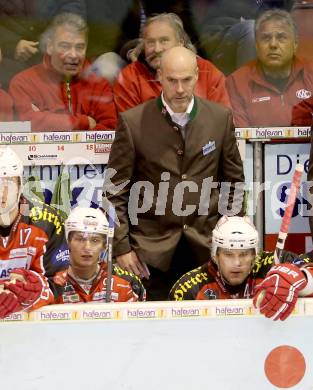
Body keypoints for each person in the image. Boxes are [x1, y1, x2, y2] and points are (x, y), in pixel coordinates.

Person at [103, 46, 244, 300]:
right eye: (172, 80)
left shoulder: (220, 119)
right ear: (159, 76)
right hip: (149, 256)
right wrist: (121, 248)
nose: (179, 89)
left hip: (207, 249)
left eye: (186, 79)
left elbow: (233, 184)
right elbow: (114, 192)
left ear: (197, 75)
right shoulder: (132, 122)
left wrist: (231, 241)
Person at [169, 215, 313, 321]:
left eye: (244, 254)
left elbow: (307, 267)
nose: (237, 263)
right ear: (215, 255)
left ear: (255, 255)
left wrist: (303, 278)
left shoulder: (273, 264)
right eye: (228, 254)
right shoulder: (189, 288)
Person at [9, 12, 117, 132]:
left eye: (80, 47)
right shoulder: (23, 83)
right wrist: (83, 122)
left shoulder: (98, 83)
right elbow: (25, 126)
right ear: (50, 47)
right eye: (65, 46)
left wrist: (48, 121)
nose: (73, 55)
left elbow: (110, 128)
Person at [0, 146, 69, 319]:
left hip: (35, 322)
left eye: (8, 183)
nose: (2, 193)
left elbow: (60, 279)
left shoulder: (48, 221)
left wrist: (35, 290)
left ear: (20, 185)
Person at [113, 13, 230, 113]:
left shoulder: (207, 72)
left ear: (180, 43)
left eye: (164, 41)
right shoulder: (129, 78)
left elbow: (223, 121)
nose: (157, 49)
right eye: (150, 42)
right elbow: (130, 130)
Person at [226, 9, 313, 127]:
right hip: (256, 146)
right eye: (266, 38)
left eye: (281, 37)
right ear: (256, 46)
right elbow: (241, 140)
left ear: (295, 44)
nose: (273, 45)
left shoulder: (311, 73)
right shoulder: (236, 82)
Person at [57, 207, 146, 303]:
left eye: (95, 240)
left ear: (105, 246)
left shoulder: (128, 283)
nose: (87, 247)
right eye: (80, 239)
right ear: (67, 242)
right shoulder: (51, 282)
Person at [0, 0, 86, 89]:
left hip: (54, 56)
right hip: (12, 57)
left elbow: (71, 17)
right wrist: (13, 45)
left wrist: (45, 43)